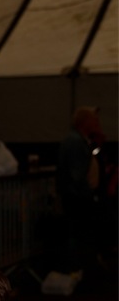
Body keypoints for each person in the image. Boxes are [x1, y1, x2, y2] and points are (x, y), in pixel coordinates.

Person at [55, 106, 104, 284]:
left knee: (80, 235)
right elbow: (77, 176)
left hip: (78, 197)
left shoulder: (79, 140)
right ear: (85, 122)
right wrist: (88, 196)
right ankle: (79, 274)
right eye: (94, 120)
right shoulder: (75, 142)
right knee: (79, 236)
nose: (97, 123)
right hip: (78, 199)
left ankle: (81, 272)